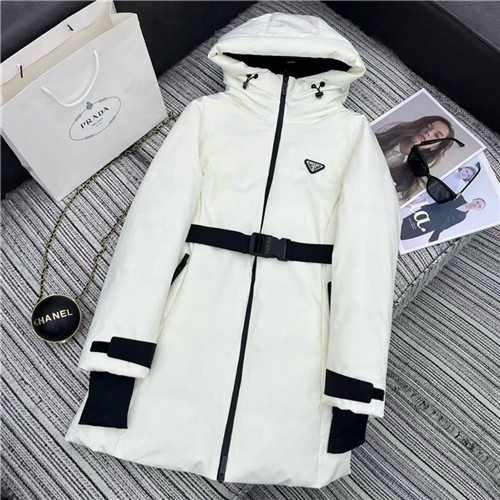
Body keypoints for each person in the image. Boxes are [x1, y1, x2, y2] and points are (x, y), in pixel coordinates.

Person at [376, 115, 456, 204]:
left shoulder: (410, 181)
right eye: (428, 126)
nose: (429, 132)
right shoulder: (381, 138)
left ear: (435, 147)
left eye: (436, 135)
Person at [401, 194, 486, 242]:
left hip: (430, 226)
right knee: (404, 223)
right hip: (427, 213)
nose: (476, 205)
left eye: (479, 206)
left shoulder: (462, 217)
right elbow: (441, 200)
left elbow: (447, 225)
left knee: (405, 234)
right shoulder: (459, 197)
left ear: (478, 210)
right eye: (477, 202)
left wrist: (436, 233)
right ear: (474, 199)